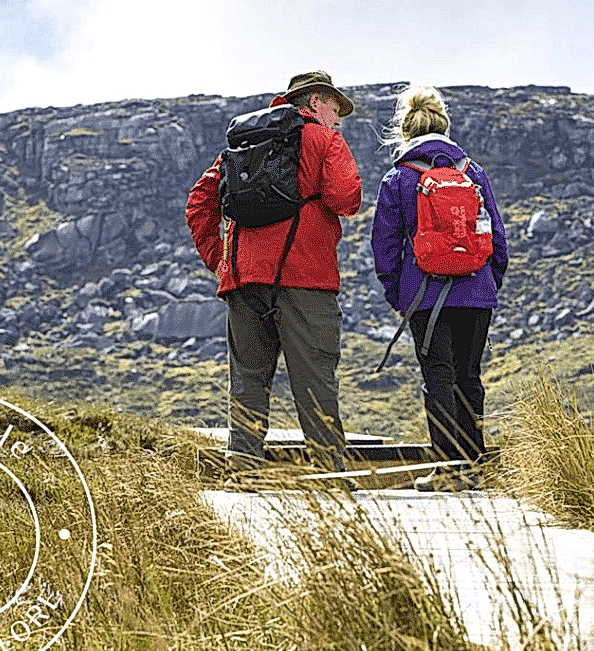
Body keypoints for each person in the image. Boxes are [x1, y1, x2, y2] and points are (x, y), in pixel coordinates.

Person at [186, 71, 362, 471]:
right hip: (305, 279)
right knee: (315, 382)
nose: (339, 118)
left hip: (243, 282)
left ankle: (243, 472)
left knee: (247, 383)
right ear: (315, 102)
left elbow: (199, 203)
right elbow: (345, 198)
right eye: (336, 108)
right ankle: (330, 479)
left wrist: (221, 262)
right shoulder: (324, 138)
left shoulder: (244, 142)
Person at [370, 86, 507, 488]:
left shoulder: (398, 178)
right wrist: (485, 284)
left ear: (405, 131)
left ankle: (447, 468)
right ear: (444, 124)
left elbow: (385, 246)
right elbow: (497, 238)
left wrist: (400, 295)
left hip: (425, 295)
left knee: (438, 377)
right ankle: (475, 465)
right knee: (469, 375)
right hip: (476, 291)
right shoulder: (473, 173)